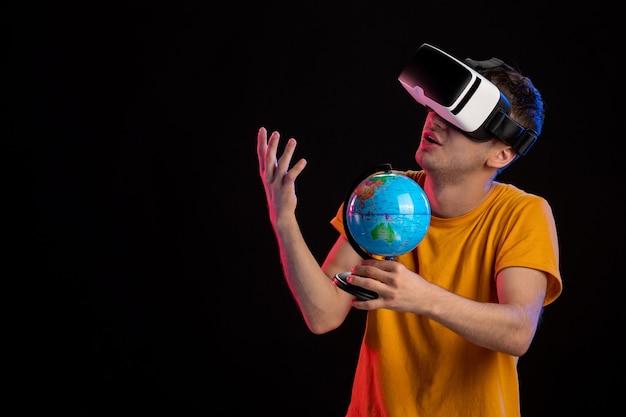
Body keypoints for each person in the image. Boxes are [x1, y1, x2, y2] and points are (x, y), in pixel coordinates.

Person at [256, 45, 562, 417]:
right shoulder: (384, 194)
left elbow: (517, 332)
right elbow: (323, 314)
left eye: (459, 120)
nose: (434, 121)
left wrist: (423, 297)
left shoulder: (522, 213)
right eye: (436, 108)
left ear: (500, 154)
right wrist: (283, 218)